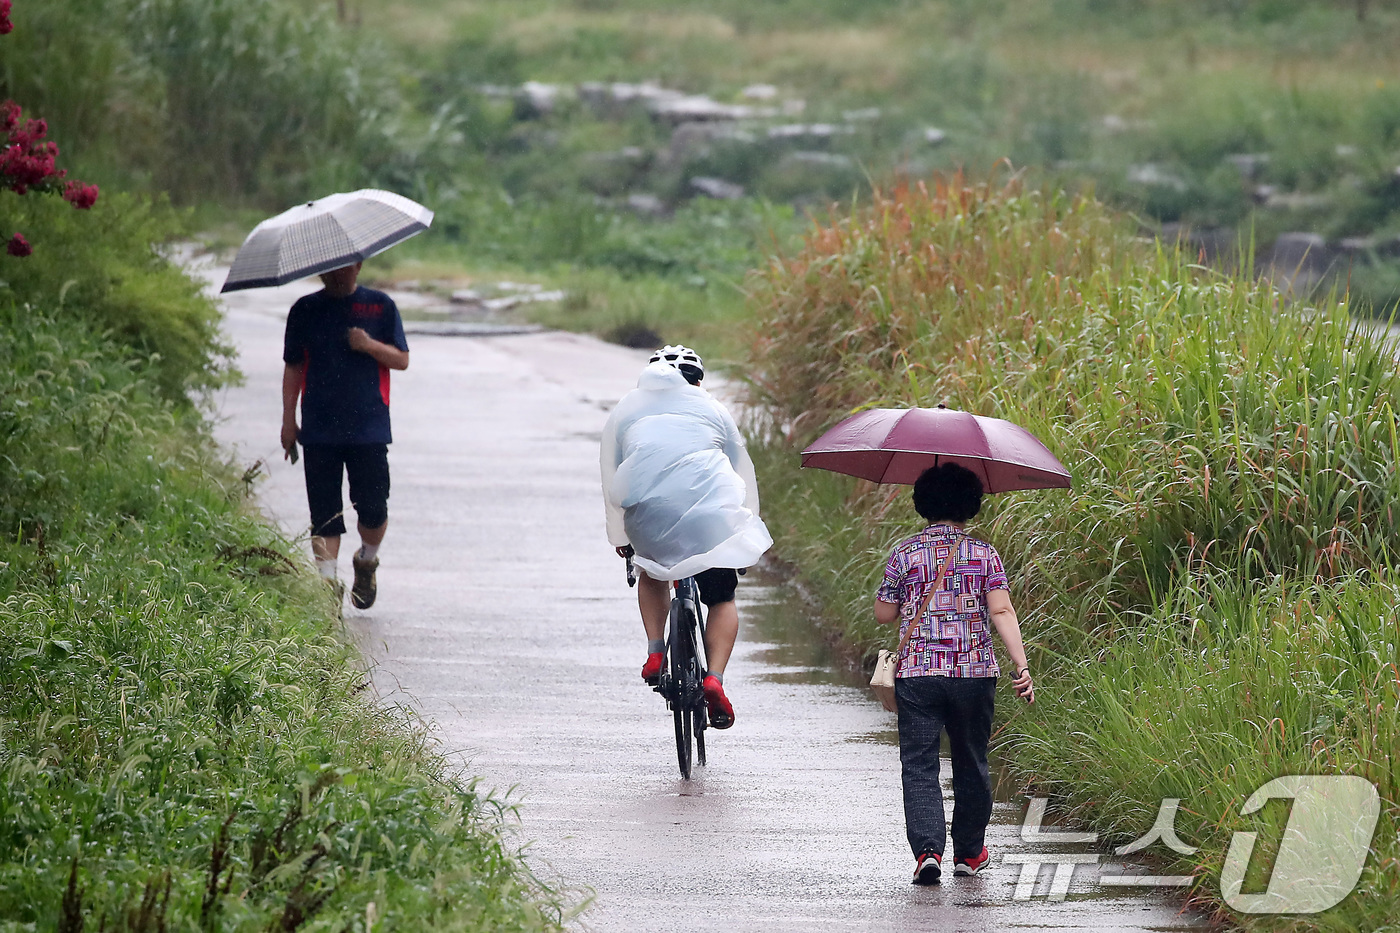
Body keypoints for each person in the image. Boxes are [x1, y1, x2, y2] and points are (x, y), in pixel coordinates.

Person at [874, 462, 1034, 886]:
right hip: (973, 673)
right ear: (971, 505)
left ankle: (928, 851)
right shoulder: (984, 554)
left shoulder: (904, 553)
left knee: (919, 764)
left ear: (921, 503)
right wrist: (1021, 664)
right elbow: (1002, 610)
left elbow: (883, 613)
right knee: (971, 760)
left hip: (918, 674)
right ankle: (969, 853)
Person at [600, 345, 772, 729]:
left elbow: (611, 476)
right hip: (711, 520)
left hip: (648, 516)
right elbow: (742, 470)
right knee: (721, 598)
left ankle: (655, 651)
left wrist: (619, 535)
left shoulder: (626, 409)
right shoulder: (714, 409)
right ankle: (715, 679)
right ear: (697, 381)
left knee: (651, 570)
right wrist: (745, 536)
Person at [281, 261, 409, 610]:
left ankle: (366, 559)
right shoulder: (305, 309)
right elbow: (293, 366)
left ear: (358, 266)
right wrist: (288, 420)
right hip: (319, 428)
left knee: (373, 508)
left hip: (369, 427)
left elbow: (401, 359)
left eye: (344, 268)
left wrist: (368, 345)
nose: (337, 274)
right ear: (320, 271)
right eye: (330, 268)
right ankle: (327, 587)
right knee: (325, 514)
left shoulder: (380, 306)